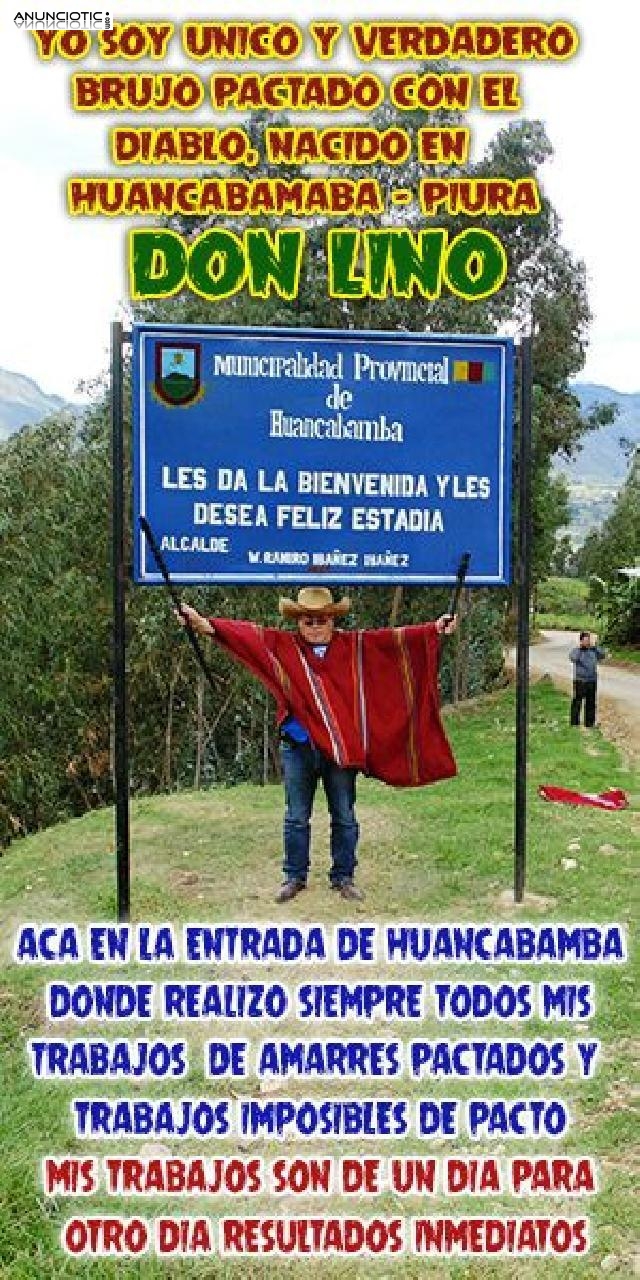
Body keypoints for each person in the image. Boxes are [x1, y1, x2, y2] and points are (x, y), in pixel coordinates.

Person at [177, 587, 457, 903]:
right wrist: (202, 623)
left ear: (332, 620)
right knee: (296, 816)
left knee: (344, 816)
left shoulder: (354, 647)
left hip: (340, 750)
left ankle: (344, 877)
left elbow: (393, 641)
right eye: (308, 621)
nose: (314, 626)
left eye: (321, 620)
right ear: (298, 622)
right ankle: (294, 877)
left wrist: (434, 629)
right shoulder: (284, 647)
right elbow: (246, 635)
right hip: (298, 748)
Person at [569, 631, 606, 727]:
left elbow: (602, 655)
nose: (587, 642)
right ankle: (574, 722)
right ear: (581, 641)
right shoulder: (577, 650)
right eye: (585, 640)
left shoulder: (593, 651)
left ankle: (589, 723)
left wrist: (595, 647)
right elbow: (573, 658)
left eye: (588, 640)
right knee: (577, 701)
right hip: (580, 680)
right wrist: (581, 648)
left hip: (592, 680)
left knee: (591, 702)